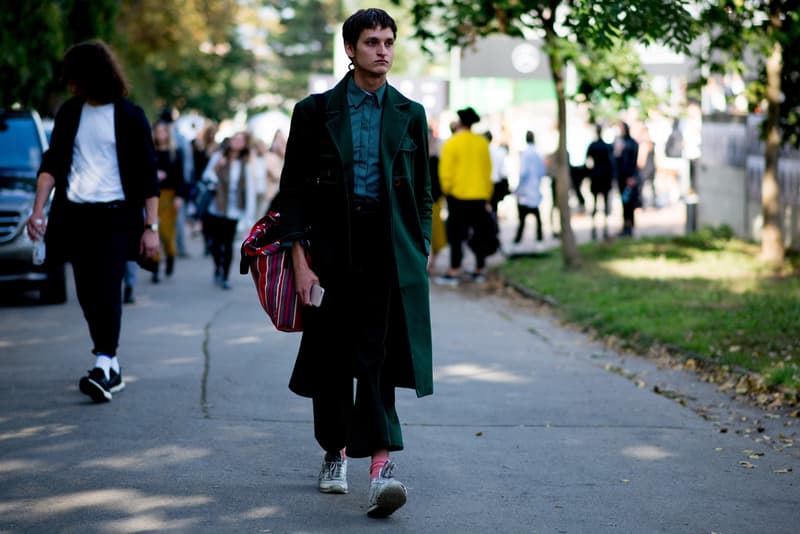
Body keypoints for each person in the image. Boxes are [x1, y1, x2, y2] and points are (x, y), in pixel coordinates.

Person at [277, 8, 432, 518]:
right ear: (350, 49)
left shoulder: (410, 112)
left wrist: (420, 248)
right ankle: (333, 451)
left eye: (389, 41)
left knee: (378, 357)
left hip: (386, 250)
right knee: (329, 358)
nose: (383, 50)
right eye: (371, 41)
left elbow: (424, 196)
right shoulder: (314, 111)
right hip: (327, 251)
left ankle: (381, 466)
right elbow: (292, 193)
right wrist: (300, 260)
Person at [26, 40, 160, 403]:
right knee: (86, 292)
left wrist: (152, 228)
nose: (70, 84)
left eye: (75, 76)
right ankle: (109, 362)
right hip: (76, 216)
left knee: (108, 287)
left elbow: (148, 175)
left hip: (116, 217)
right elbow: (51, 164)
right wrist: (37, 210)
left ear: (93, 75)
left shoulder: (130, 115)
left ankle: (104, 362)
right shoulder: (70, 113)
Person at [435, 106, 493, 285]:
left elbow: (445, 172)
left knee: (456, 235)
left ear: (459, 122)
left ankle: (454, 270)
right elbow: (487, 170)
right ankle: (479, 269)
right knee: (479, 233)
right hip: (479, 196)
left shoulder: (452, 143)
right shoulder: (482, 142)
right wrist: (487, 195)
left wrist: (447, 190)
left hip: (457, 196)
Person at [201, 130, 258, 289]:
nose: (237, 142)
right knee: (214, 243)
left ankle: (225, 275)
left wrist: (249, 216)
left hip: (234, 210)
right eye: (235, 139)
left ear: (245, 144)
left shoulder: (245, 164)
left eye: (241, 140)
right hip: (216, 208)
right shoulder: (218, 157)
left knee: (227, 243)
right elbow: (206, 177)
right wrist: (217, 168)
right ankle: (217, 266)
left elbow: (250, 191)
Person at [151, 119, 186, 283]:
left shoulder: (175, 152)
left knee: (166, 231)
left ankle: (171, 255)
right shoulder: (150, 151)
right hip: (152, 195)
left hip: (169, 195)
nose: (160, 135)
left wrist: (179, 196)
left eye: (163, 132)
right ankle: (155, 266)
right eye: (157, 132)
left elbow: (179, 177)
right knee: (153, 230)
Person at [512, 131, 545, 248]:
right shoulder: (537, 153)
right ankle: (538, 239)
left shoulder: (526, 154)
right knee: (536, 217)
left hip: (526, 191)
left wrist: (518, 189)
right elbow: (542, 171)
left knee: (523, 219)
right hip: (533, 189)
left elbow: (523, 173)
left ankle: (518, 241)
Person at [585, 124, 614, 240]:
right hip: (604, 177)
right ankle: (604, 229)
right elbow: (611, 163)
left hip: (596, 177)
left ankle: (595, 229)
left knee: (595, 203)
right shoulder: (606, 147)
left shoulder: (593, 146)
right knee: (604, 204)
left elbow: (587, 162)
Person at [613, 121, 640, 237]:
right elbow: (616, 160)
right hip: (621, 177)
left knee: (630, 203)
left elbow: (633, 161)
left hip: (629, 177)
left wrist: (632, 176)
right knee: (624, 202)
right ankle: (625, 226)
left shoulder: (632, 143)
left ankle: (629, 226)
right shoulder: (620, 143)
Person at [484, 130, 510, 214]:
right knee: (494, 208)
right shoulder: (498, 151)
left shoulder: (482, 151)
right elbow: (503, 171)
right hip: (495, 183)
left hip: (484, 183)